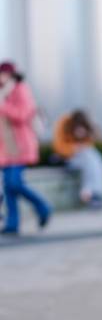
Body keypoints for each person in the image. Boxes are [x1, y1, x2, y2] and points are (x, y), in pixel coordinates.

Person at [0, 61, 51, 235]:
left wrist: (3, 105)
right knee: (9, 186)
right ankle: (12, 224)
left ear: (11, 75)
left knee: (14, 183)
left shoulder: (21, 89)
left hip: (20, 145)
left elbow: (22, 115)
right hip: (5, 148)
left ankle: (43, 206)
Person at [53, 110, 102, 209]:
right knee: (90, 158)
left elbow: (90, 144)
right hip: (67, 159)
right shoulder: (64, 123)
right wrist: (74, 148)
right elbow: (59, 147)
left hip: (84, 158)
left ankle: (89, 191)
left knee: (95, 158)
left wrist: (87, 134)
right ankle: (94, 194)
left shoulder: (86, 126)